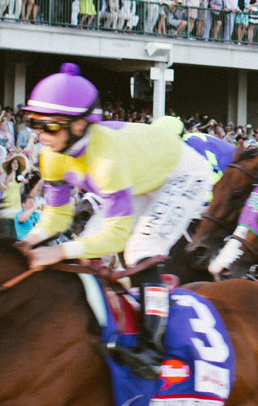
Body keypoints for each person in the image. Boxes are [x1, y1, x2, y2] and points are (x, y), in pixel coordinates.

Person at [17, 64, 210, 380]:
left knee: (139, 249)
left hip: (181, 174)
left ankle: (154, 349)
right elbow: (56, 216)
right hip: (141, 176)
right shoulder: (50, 155)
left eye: (48, 126)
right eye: (33, 123)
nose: (39, 135)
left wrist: (57, 252)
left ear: (79, 125)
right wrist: (31, 240)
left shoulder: (106, 159)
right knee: (88, 245)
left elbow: (118, 236)